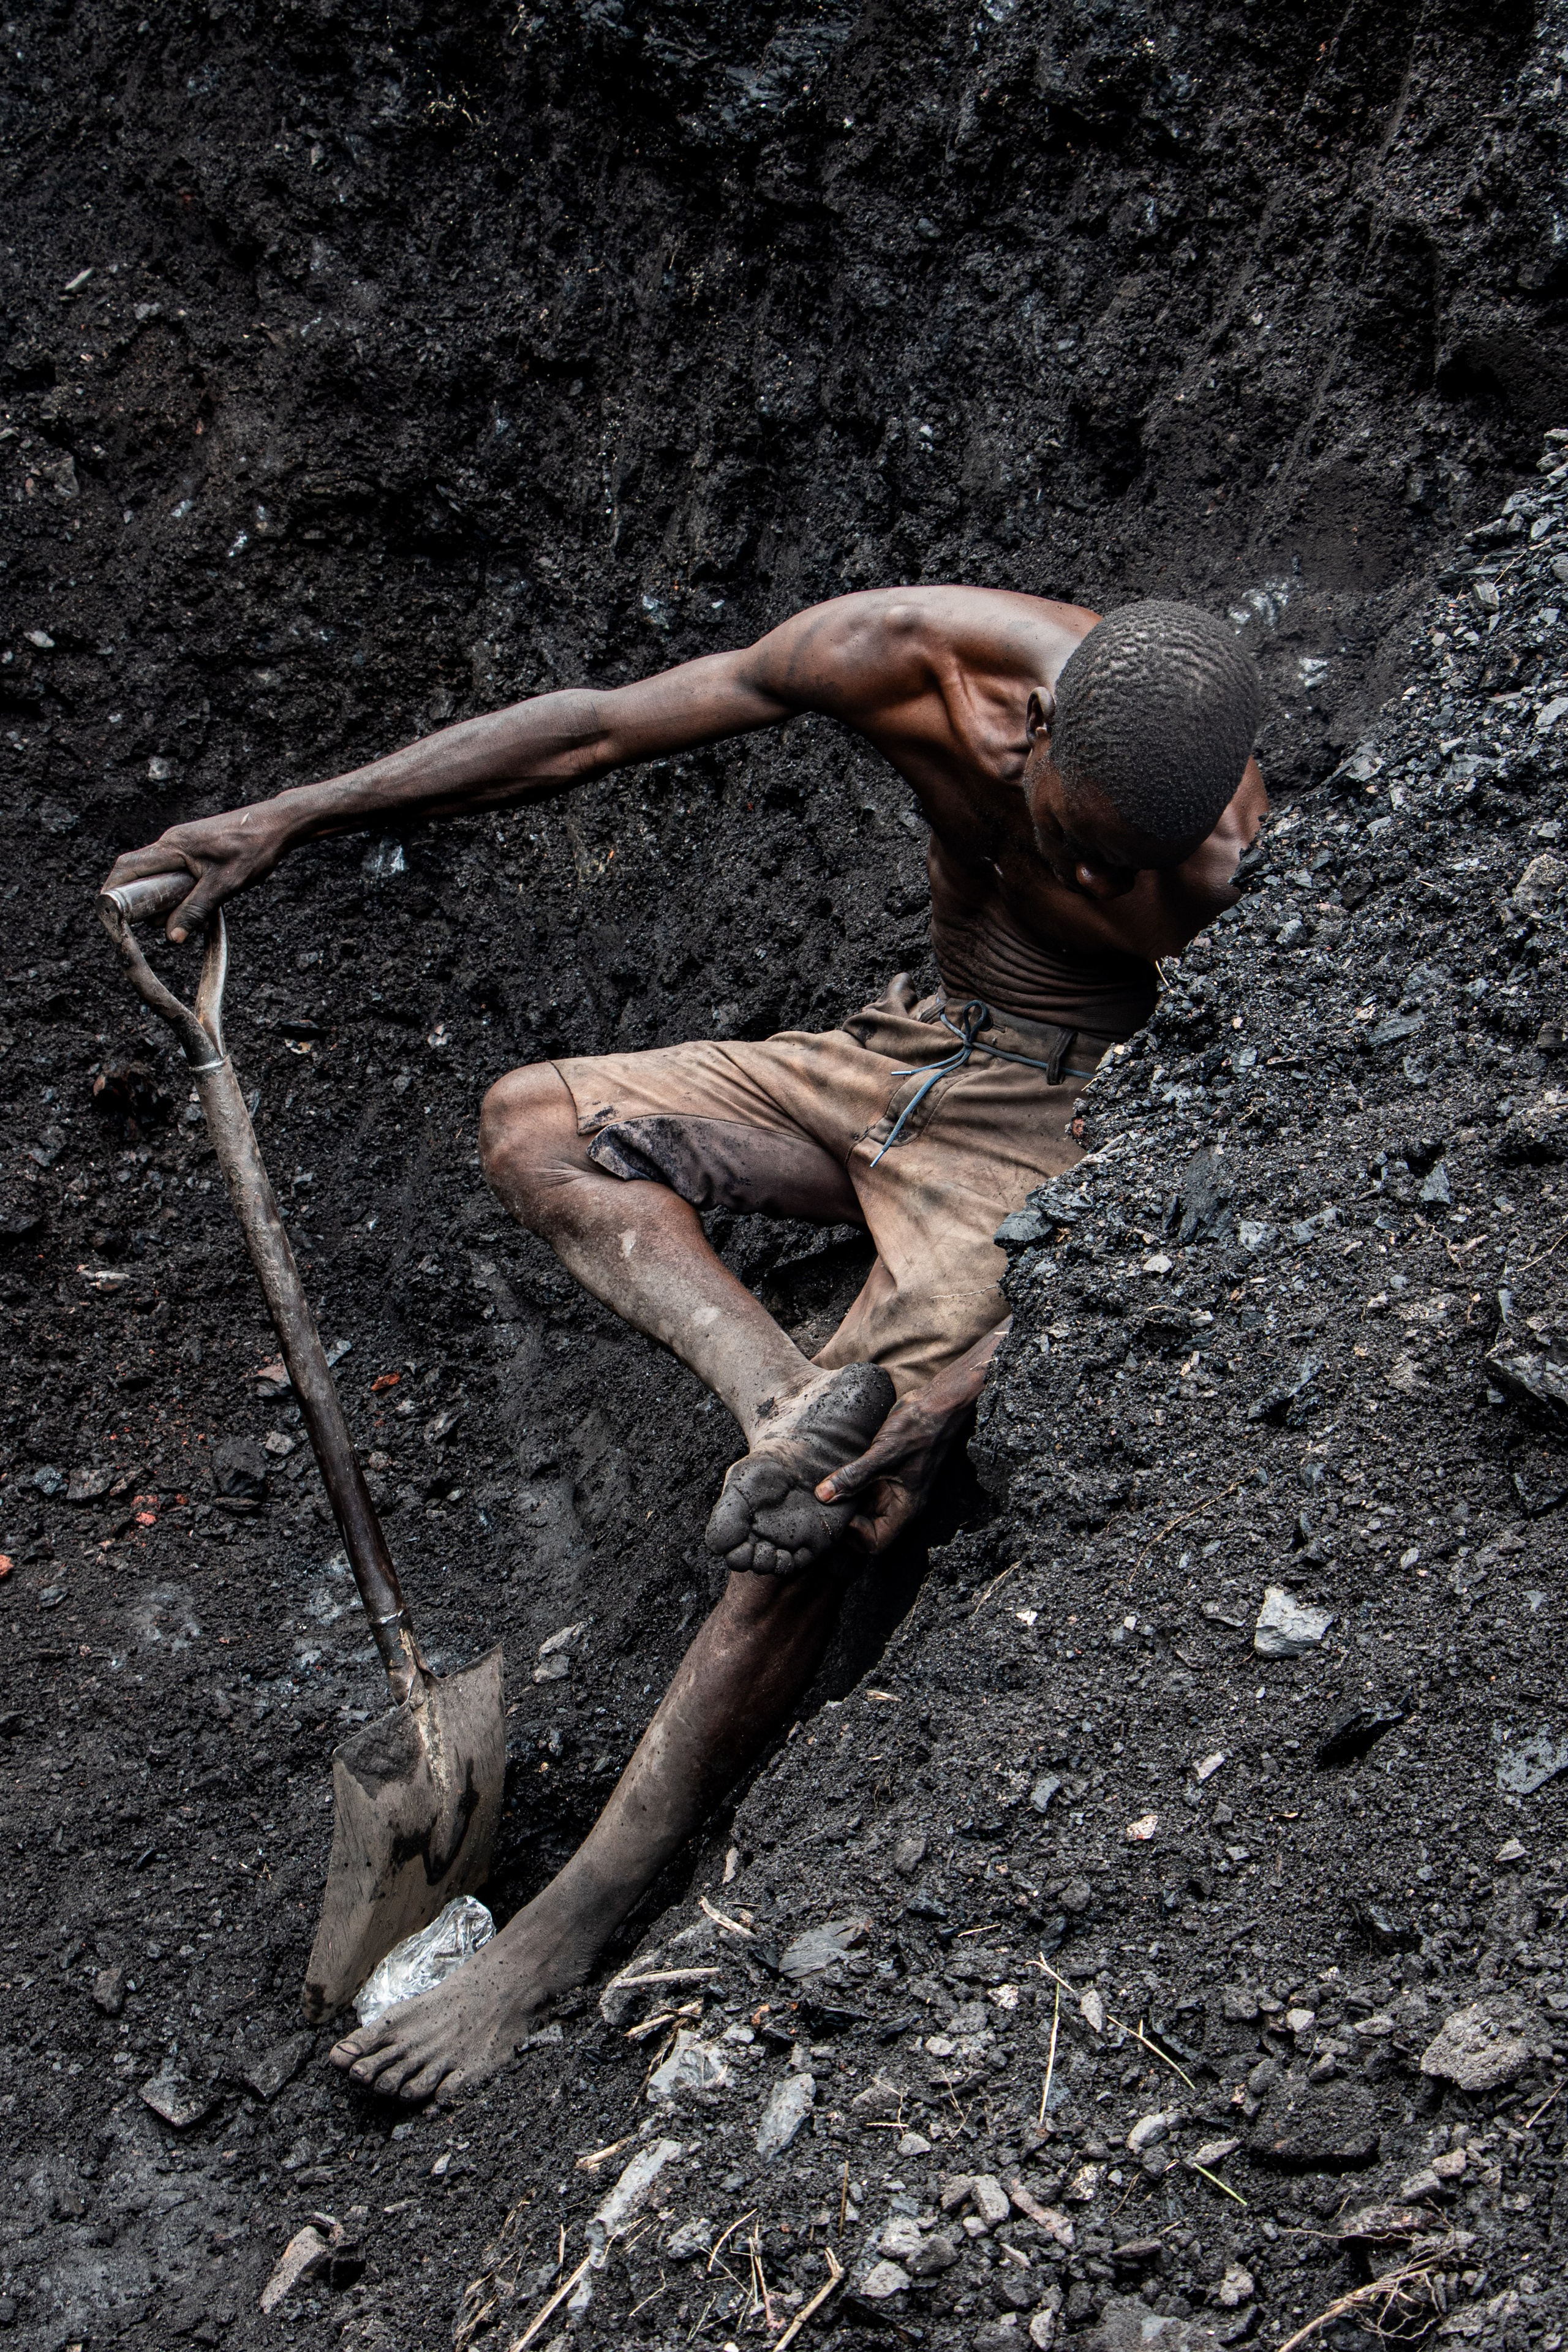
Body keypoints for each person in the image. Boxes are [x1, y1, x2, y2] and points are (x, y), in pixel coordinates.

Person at [105, 586, 1266, 2102]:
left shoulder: (1236, 873)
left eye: (1123, 870)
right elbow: (591, 731)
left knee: (822, 1512)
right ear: (1027, 723)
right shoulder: (912, 656)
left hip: (1057, 1129)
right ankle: (775, 1396)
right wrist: (292, 815)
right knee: (537, 1121)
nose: (1090, 875)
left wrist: (957, 1387)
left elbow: (1224, 1174)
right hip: (904, 1055)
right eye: (1072, 836)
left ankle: (568, 1924)